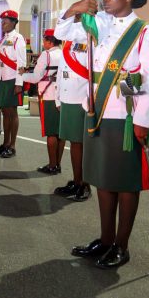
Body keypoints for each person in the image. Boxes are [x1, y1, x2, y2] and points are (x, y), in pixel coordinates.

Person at [55, 0, 149, 269]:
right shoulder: (98, 23)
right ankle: (104, 239)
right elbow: (63, 34)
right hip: (97, 111)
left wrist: (141, 119)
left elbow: (148, 78)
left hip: (125, 116)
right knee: (103, 179)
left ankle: (121, 245)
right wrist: (73, 10)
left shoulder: (145, 30)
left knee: (125, 183)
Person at [53, 39, 91, 201]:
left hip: (81, 98)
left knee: (80, 143)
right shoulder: (68, 43)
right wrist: (58, 97)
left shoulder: (91, 38)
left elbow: (94, 71)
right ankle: (77, 181)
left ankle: (84, 184)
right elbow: (61, 71)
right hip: (68, 97)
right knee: (73, 142)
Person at [21, 29, 64, 174]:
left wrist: (22, 75)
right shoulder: (64, 53)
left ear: (50, 41)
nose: (43, 42)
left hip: (48, 94)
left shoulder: (46, 55)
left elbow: (36, 77)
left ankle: (52, 165)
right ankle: (57, 163)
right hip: (62, 95)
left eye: (45, 40)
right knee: (60, 132)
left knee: (51, 132)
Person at [0, 9, 27, 158]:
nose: (3, 24)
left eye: (5, 22)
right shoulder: (3, 39)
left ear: (14, 22)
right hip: (3, 79)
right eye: (2, 22)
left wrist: (19, 83)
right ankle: (5, 143)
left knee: (12, 113)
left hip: (13, 79)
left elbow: (21, 63)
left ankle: (12, 145)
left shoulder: (18, 38)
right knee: (5, 113)